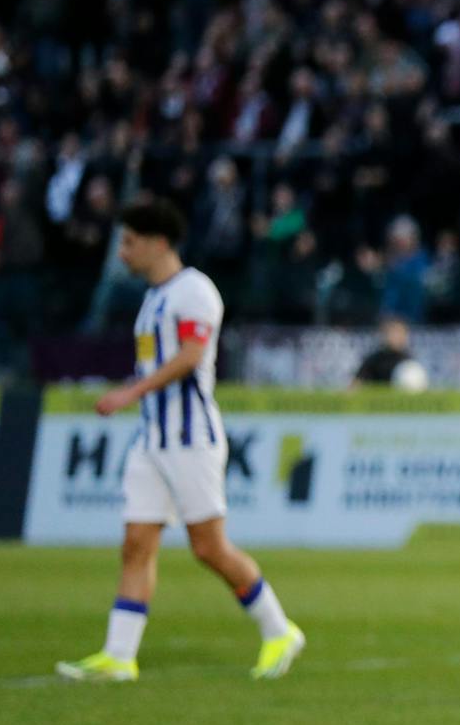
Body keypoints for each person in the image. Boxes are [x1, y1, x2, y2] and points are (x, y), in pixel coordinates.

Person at [57, 197, 305, 683]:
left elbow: (192, 355)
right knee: (136, 543)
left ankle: (279, 630)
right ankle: (119, 656)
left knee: (209, 548)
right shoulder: (153, 299)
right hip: (153, 439)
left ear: (157, 243)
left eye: (129, 243)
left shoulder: (194, 292)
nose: (122, 254)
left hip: (192, 440)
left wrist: (131, 392)